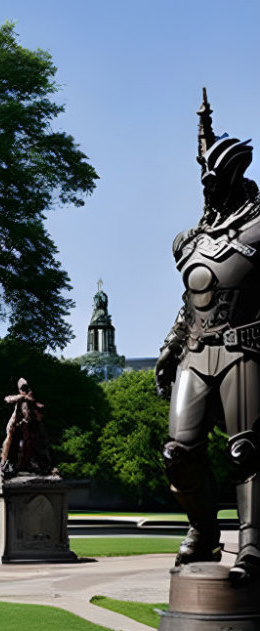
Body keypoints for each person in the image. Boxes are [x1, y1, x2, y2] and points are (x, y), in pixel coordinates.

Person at [156, 90, 260, 582]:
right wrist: (169, 348)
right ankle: (204, 533)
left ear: (236, 176)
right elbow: (189, 305)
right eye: (205, 177)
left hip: (246, 347)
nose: (207, 185)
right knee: (179, 453)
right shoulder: (192, 239)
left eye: (216, 178)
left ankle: (253, 544)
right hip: (196, 353)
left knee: (247, 450)